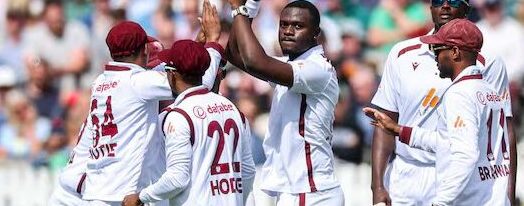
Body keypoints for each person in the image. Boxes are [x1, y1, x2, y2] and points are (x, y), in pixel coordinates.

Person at [48, 18, 224, 205]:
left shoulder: (100, 82)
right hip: (117, 197)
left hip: (95, 192)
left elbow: (176, 75)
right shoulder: (138, 83)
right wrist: (212, 43)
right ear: (144, 50)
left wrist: (195, 48)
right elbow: (195, 83)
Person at [369, 0, 517, 205]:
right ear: (430, 8)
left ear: (467, 9)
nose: (445, 6)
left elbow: (502, 133)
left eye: (454, 0)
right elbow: (388, 123)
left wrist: (508, 195)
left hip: (458, 176)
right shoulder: (401, 53)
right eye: (438, 1)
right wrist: (377, 187)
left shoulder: (488, 63)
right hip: (405, 175)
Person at [225, 0, 344, 205]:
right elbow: (236, 54)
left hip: (310, 192)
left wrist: (239, 10)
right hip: (299, 190)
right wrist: (250, 6)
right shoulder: (291, 65)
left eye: (298, 26)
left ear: (316, 34)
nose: (288, 31)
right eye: (284, 24)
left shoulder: (316, 69)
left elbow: (254, 61)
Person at [121, 38, 256, 206]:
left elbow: (177, 179)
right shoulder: (233, 109)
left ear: (172, 73)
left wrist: (141, 197)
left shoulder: (178, 116)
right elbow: (248, 172)